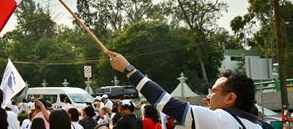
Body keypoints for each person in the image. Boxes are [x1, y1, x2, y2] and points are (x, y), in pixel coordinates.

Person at [106, 50, 274, 129]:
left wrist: (129, 70)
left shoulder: (221, 120)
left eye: (213, 91)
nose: (208, 96)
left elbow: (165, 102)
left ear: (230, 98)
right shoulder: (261, 125)